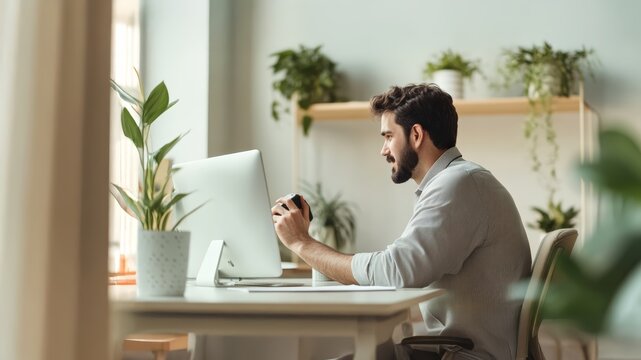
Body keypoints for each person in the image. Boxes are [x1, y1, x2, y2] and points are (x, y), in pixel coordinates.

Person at [272, 83, 532, 360]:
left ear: (416, 135)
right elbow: (403, 268)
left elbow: (397, 271)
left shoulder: (458, 185)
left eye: (388, 136)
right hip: (456, 349)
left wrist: (301, 243)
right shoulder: (457, 182)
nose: (383, 150)